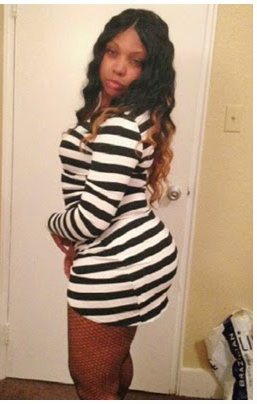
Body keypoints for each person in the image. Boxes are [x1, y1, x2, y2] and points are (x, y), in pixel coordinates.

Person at [47, 9, 178, 400]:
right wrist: (80, 244)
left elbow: (92, 218)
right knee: (113, 358)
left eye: (136, 61)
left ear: (150, 70)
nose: (119, 67)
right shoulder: (131, 115)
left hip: (118, 261)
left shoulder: (119, 124)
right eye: (112, 52)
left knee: (90, 379)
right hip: (134, 252)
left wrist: (54, 223)